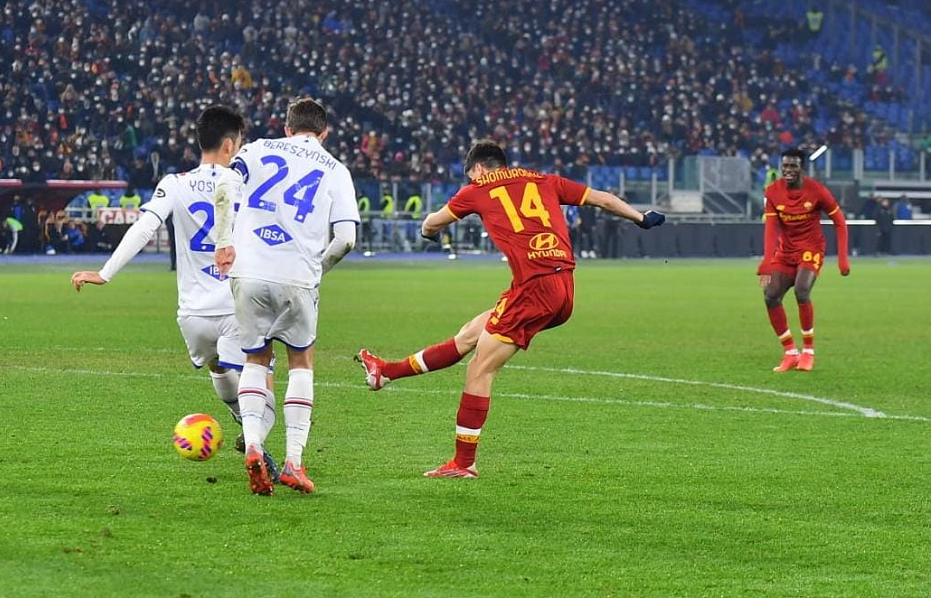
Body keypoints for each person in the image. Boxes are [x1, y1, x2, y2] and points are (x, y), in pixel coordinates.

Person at [358, 140, 665, 478]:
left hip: (535, 287)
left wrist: (426, 231)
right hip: (563, 286)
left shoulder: (476, 190)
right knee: (471, 333)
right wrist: (641, 217)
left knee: (480, 370)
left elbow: (433, 222)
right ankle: (385, 372)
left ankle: (463, 463)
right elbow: (603, 199)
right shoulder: (546, 180)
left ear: (478, 169)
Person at [71, 105, 279, 478]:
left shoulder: (174, 182)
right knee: (261, 374)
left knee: (218, 366)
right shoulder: (243, 182)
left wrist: (105, 273)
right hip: (237, 305)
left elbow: (144, 228)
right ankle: (255, 443)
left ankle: (240, 420)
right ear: (231, 145)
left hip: (193, 314)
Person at [214, 97, 359, 496]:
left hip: (249, 269)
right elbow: (346, 238)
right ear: (324, 132)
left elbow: (225, 182)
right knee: (301, 363)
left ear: (286, 127)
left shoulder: (257, 149)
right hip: (298, 276)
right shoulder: (337, 170)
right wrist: (318, 270)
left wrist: (224, 241)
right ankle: (294, 461)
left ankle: (255, 445)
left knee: (255, 359)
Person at [758, 148, 850, 373]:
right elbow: (771, 230)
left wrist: (842, 259)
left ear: (802, 168)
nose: (788, 170)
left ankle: (808, 351)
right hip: (786, 251)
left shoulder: (817, 191)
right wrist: (767, 262)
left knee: (801, 291)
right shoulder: (772, 192)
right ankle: (790, 352)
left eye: (793, 166)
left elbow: (840, 222)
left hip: (811, 248)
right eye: (785, 166)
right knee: (770, 296)